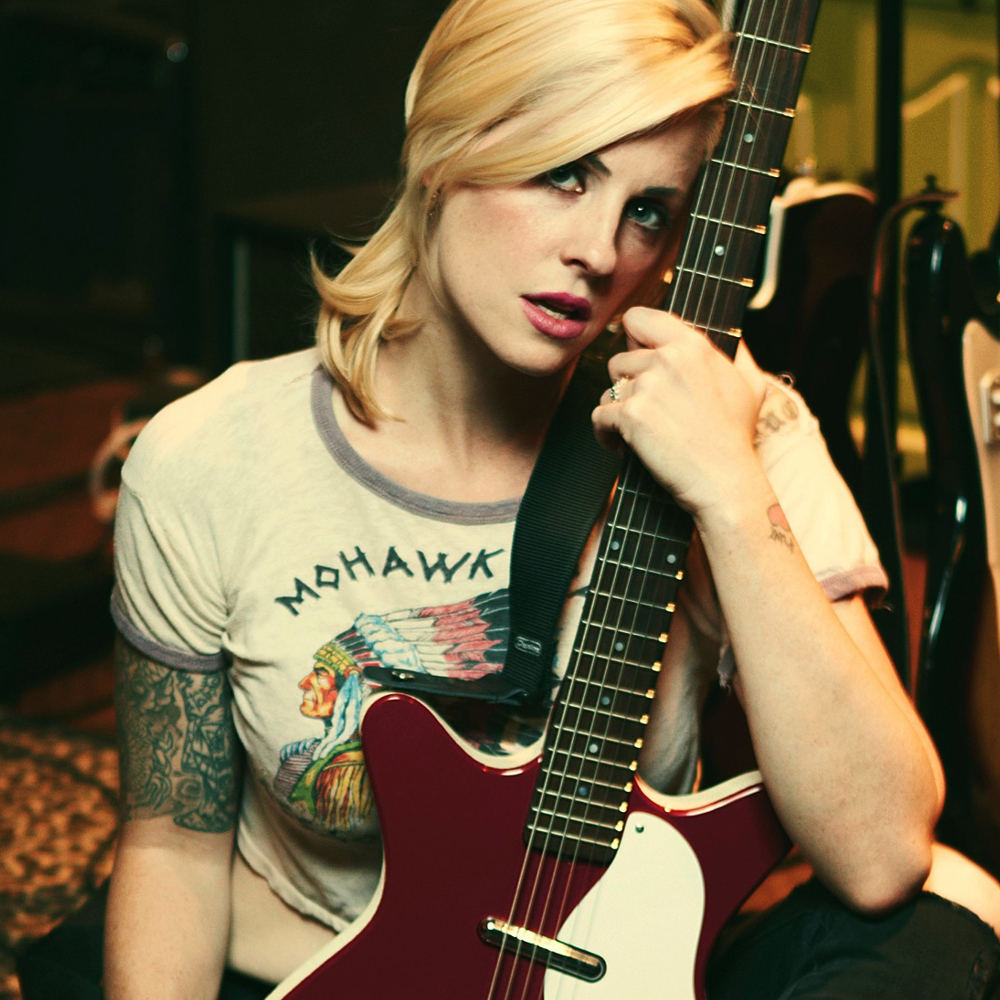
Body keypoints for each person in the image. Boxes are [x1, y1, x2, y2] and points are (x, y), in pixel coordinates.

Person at [97, 0, 1000, 997]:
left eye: (647, 209)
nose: (601, 251)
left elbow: (881, 853)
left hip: (619, 971)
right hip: (333, 975)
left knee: (949, 914)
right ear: (442, 145)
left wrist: (732, 496)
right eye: (564, 173)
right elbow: (172, 848)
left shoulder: (736, 424)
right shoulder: (212, 457)